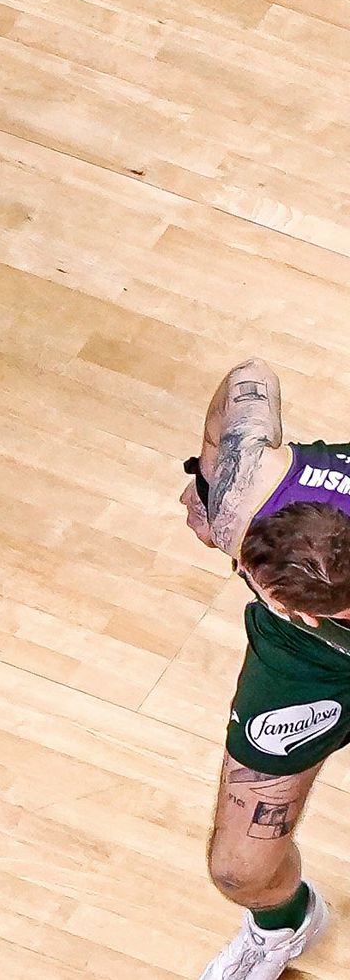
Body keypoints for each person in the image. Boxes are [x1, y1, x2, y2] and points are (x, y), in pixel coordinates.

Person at [180, 357, 347, 978]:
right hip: (305, 662)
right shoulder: (251, 488)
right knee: (239, 869)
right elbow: (251, 376)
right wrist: (210, 482)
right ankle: (285, 924)